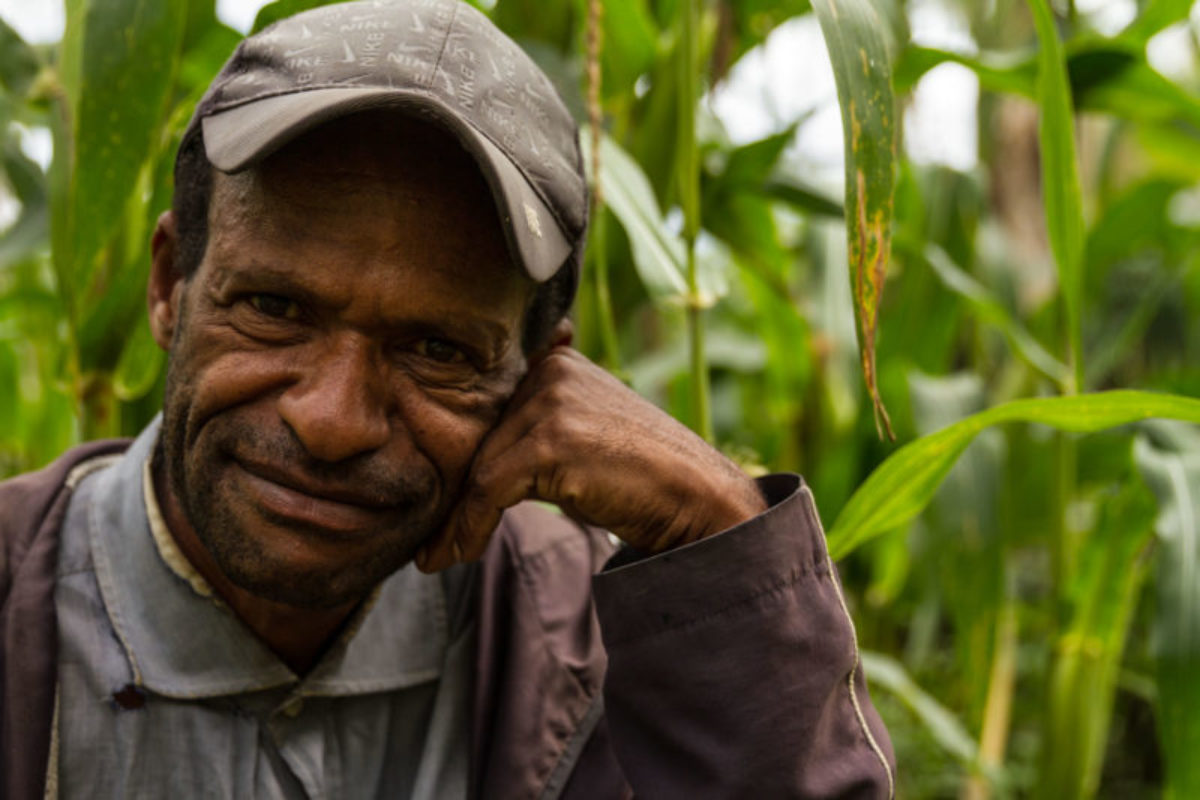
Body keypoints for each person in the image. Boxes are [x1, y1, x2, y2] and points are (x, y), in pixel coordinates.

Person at [0, 0, 895, 797]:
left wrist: (719, 538)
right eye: (275, 309)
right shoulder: (18, 602)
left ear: (540, 376)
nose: (333, 420)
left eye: (436, 350)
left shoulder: (597, 648)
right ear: (169, 286)